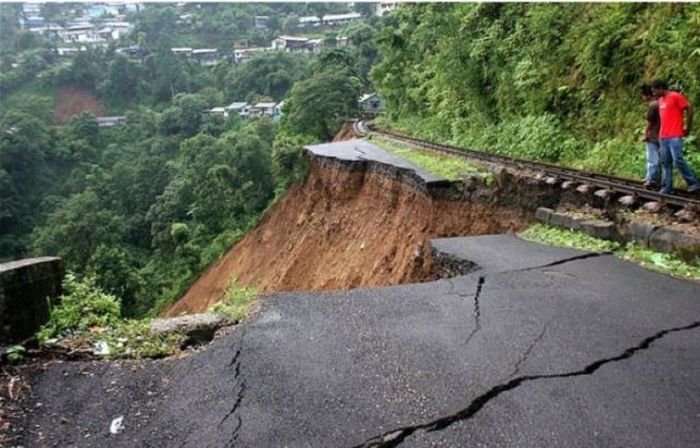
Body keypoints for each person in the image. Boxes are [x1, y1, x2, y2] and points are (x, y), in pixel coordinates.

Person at [650, 79, 699, 194]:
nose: (653, 93)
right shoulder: (660, 100)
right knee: (666, 162)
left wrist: (688, 126)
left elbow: (689, 108)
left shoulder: (675, 96)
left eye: (654, 91)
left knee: (678, 160)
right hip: (663, 136)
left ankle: (693, 183)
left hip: (675, 135)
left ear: (661, 88)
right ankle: (667, 187)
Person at [640, 84, 660, 189]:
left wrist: (645, 134)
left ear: (647, 95)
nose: (642, 98)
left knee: (652, 159)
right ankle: (650, 177)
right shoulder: (662, 102)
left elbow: (650, 122)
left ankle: (651, 180)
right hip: (663, 135)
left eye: (643, 95)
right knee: (660, 160)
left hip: (653, 135)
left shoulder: (653, 105)